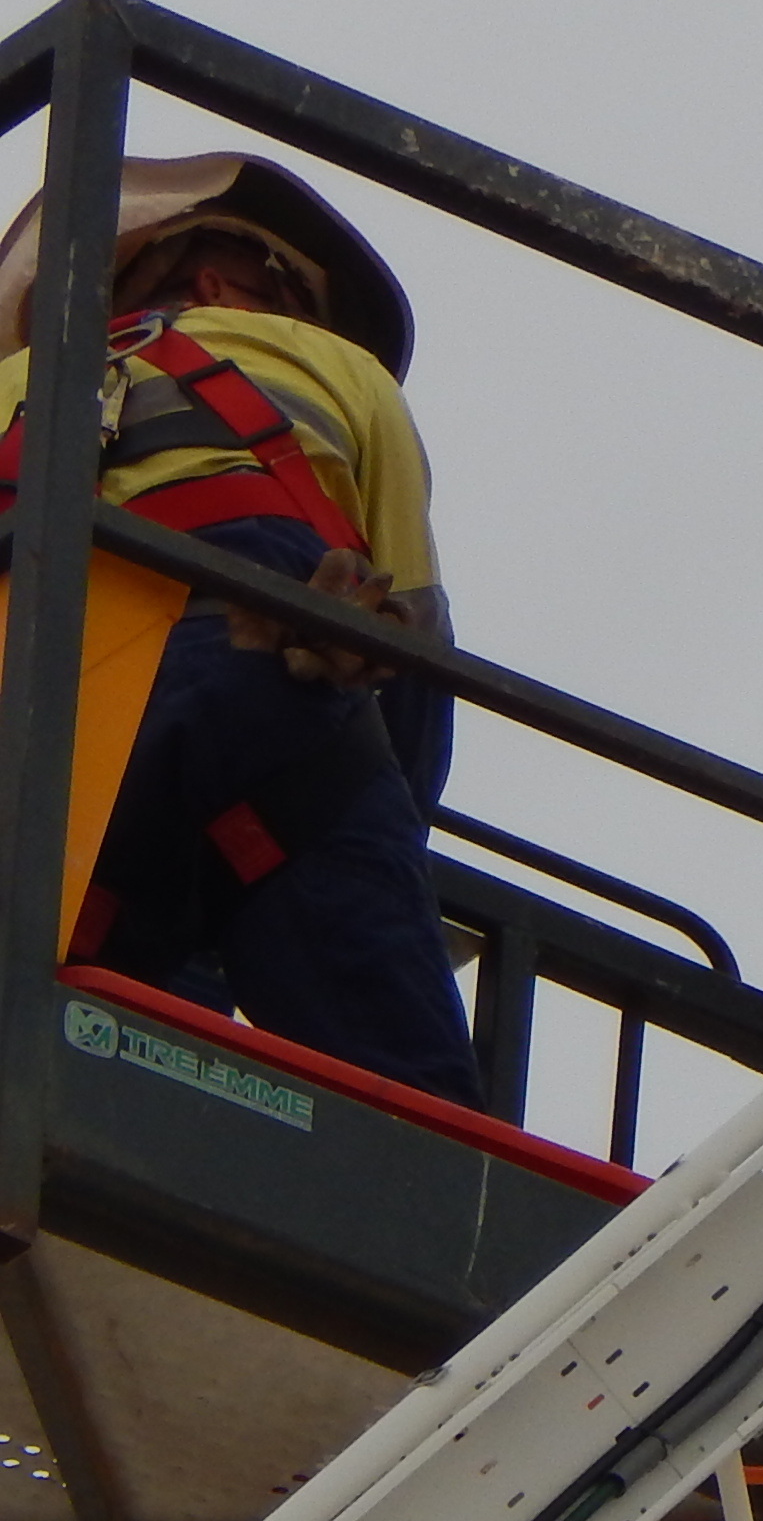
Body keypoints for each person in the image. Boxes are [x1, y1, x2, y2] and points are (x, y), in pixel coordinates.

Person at [0, 156, 477, 1105]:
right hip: (266, 681)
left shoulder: (13, 383)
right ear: (221, 282)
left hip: (42, 734)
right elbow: (415, 648)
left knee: (100, 1046)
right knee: (409, 1119)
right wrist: (377, 805)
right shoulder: (340, 373)